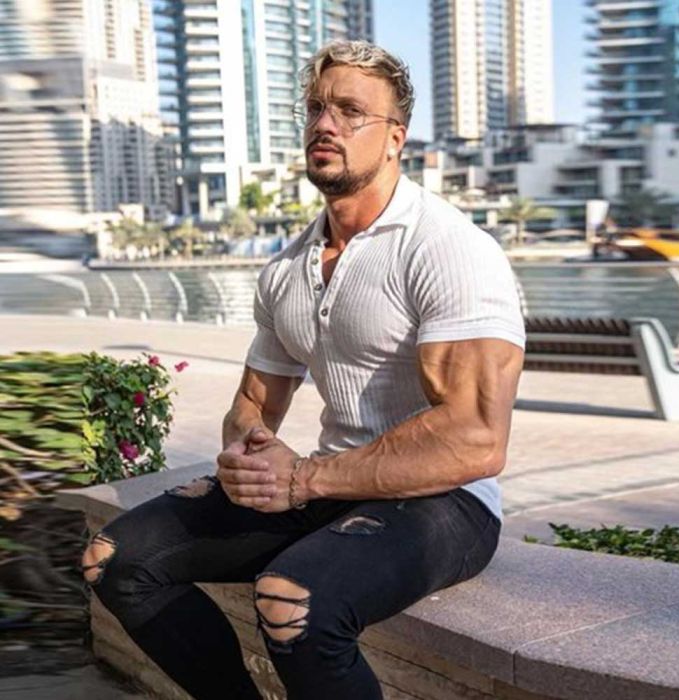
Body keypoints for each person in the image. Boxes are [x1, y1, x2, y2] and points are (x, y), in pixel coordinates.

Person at [81, 40, 525, 700]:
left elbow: (477, 439)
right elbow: (253, 405)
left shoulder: (449, 248)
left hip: (446, 502)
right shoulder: (288, 268)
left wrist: (305, 478)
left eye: (350, 111)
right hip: (328, 488)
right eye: (316, 108)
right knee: (112, 561)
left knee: (292, 599)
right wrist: (249, 452)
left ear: (395, 138)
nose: (325, 124)